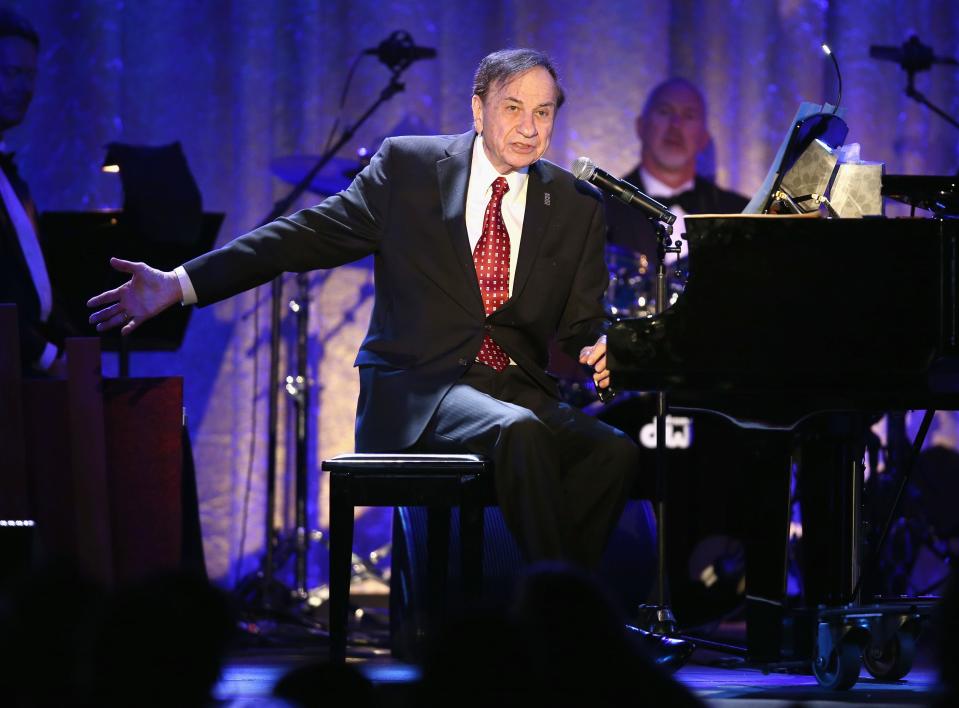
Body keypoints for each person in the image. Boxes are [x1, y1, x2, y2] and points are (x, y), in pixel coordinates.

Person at [89, 46, 692, 670]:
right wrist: (181, 282)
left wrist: (600, 346)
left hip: (516, 388)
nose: (530, 127)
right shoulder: (409, 167)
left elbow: (579, 326)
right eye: (513, 108)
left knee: (612, 450)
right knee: (521, 436)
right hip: (420, 389)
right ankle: (562, 633)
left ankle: (538, 620)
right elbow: (301, 234)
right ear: (478, 108)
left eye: (544, 112)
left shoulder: (573, 203)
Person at [0, 8, 72, 374]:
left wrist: (72, 349)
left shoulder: (12, 177)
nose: (25, 89)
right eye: (12, 74)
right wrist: (47, 357)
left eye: (30, 76)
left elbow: (36, 291)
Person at [605, 77, 748, 260]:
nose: (675, 124)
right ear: (641, 126)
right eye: (664, 112)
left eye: (689, 116)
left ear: (703, 137)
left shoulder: (738, 214)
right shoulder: (601, 210)